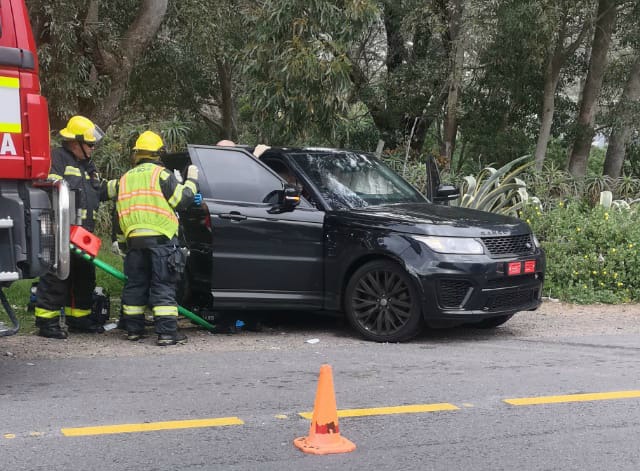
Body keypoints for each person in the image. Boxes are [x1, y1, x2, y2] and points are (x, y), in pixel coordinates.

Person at [107, 131, 199, 346]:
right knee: (163, 285)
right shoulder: (162, 175)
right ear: (159, 154)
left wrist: (121, 243)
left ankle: (133, 330)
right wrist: (192, 179)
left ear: (136, 154)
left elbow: (118, 214)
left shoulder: (125, 179)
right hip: (161, 241)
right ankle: (167, 333)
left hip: (134, 243)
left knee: (135, 286)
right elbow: (182, 201)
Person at [34, 115, 107, 339]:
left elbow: (98, 190)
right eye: (90, 144)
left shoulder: (88, 165)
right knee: (57, 276)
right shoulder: (57, 158)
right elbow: (51, 189)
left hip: (83, 232)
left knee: (84, 276)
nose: (93, 148)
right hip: (60, 229)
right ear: (75, 143)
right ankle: (47, 322)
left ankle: (80, 319)